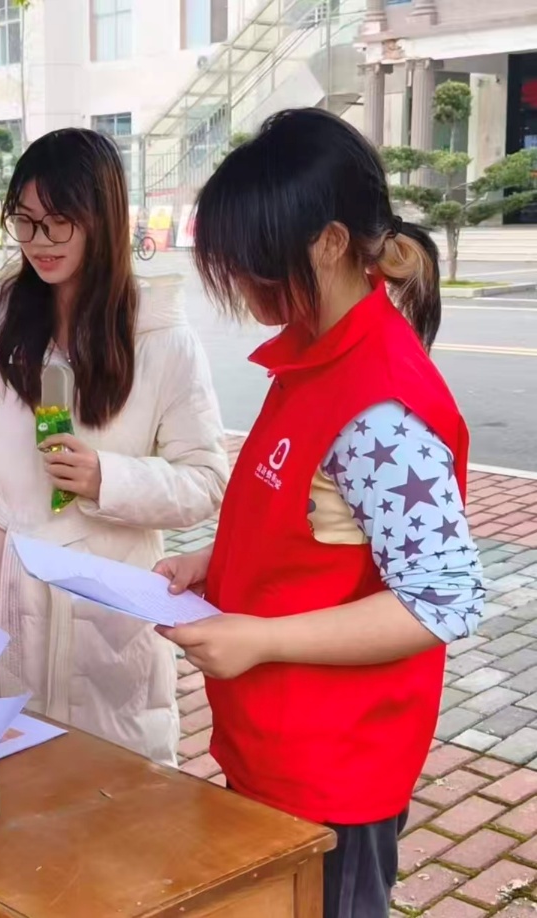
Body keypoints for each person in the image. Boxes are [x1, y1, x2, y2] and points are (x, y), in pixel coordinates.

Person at [155, 109, 485, 918]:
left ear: (330, 243)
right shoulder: (312, 356)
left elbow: (441, 598)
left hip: (336, 767)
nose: (242, 285)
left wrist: (262, 638)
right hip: (277, 740)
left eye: (254, 264)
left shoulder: (380, 409)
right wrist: (213, 564)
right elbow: (309, 523)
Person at [0, 128, 227, 767]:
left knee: (111, 789)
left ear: (102, 218)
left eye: (58, 221)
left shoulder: (163, 341)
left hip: (104, 611)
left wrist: (107, 479)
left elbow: (204, 481)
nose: (39, 241)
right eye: (25, 221)